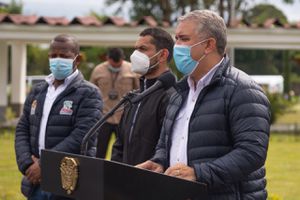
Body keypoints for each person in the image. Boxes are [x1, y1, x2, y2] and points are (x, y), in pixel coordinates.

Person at [137, 10, 271, 199]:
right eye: (176, 39)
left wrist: (198, 173)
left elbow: (251, 153)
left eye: (184, 39)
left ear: (209, 45)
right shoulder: (179, 92)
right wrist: (159, 162)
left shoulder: (243, 90)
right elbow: (166, 143)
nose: (177, 47)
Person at [15, 34, 103, 200]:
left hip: (69, 182)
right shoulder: (38, 91)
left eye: (64, 56)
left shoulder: (89, 93)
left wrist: (45, 164)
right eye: (53, 56)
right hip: (35, 180)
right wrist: (27, 164)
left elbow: (82, 136)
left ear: (77, 60)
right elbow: (22, 128)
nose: (58, 60)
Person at [111, 27, 176, 165]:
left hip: (152, 178)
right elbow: (120, 142)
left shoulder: (171, 96)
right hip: (125, 179)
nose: (135, 54)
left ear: (162, 55)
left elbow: (168, 146)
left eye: (143, 49)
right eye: (136, 49)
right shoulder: (134, 96)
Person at [90, 48, 139, 158]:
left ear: (123, 59)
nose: (116, 66)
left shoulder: (132, 69)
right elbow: (92, 93)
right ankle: (98, 174)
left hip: (124, 117)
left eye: (119, 64)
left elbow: (138, 91)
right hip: (104, 117)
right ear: (108, 59)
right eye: (114, 64)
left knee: (123, 152)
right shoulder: (98, 70)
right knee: (99, 151)